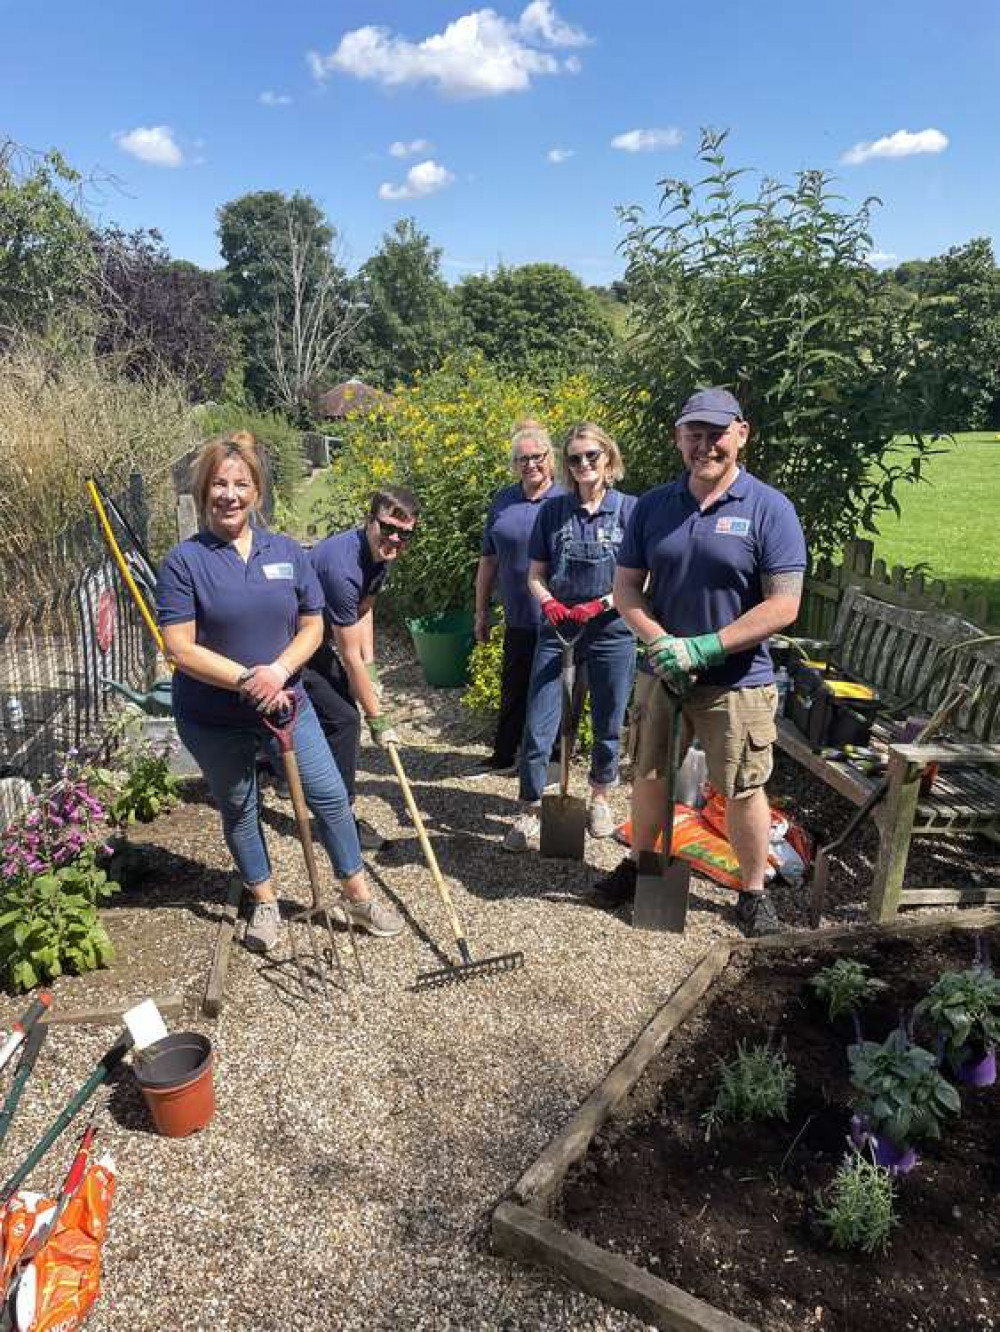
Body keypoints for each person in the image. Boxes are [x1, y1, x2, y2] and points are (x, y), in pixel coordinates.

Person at [156, 431, 405, 952]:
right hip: (212, 714)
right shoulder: (185, 561)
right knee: (240, 806)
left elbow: (313, 627)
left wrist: (277, 672)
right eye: (219, 484)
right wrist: (249, 679)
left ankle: (357, 897)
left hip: (287, 705)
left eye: (241, 484)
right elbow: (179, 648)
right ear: (204, 492)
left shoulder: (288, 552)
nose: (230, 494)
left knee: (330, 797)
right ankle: (265, 901)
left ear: (257, 494)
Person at [593, 388, 806, 936]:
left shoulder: (769, 509)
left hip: (736, 680)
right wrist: (663, 642)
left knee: (740, 787)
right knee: (648, 774)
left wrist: (708, 646)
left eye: (716, 433)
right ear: (679, 438)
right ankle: (641, 867)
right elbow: (626, 590)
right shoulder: (654, 508)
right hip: (663, 673)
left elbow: (785, 604)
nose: (705, 445)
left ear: (741, 434)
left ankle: (753, 893)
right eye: (695, 434)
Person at [503, 423, 637, 852]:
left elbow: (644, 580)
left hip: (611, 631)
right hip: (557, 629)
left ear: (608, 459)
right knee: (539, 723)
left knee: (608, 720)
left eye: (591, 456)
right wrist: (548, 603)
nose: (583, 465)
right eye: (575, 458)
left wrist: (601, 605)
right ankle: (527, 809)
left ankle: (599, 796)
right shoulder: (553, 512)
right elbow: (535, 575)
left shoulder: (631, 511)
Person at [302, 486, 420, 849]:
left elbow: (364, 610)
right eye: (387, 528)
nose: (395, 539)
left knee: (337, 711)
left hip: (312, 638)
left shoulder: (381, 557)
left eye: (405, 533)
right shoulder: (343, 568)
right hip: (285, 642)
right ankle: (339, 818)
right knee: (345, 718)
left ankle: (315, 792)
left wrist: (371, 672)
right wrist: (378, 719)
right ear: (369, 521)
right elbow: (347, 652)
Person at [473, 420, 566, 775]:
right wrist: (481, 610)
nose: (531, 465)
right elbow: (488, 559)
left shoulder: (565, 499)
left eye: (537, 457)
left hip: (557, 617)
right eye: (522, 459)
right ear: (514, 465)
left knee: (552, 689)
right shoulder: (503, 501)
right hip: (517, 614)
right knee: (513, 687)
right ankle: (504, 755)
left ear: (550, 458)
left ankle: (551, 762)